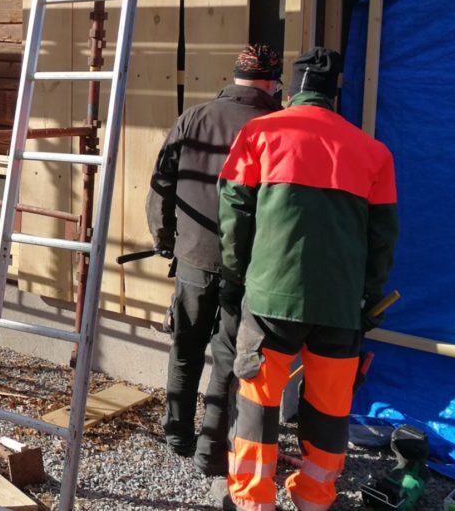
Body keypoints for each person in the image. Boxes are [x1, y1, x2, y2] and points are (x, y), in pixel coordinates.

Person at [218, 47, 399, 511]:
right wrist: (369, 298)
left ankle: (255, 501)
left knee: (258, 402)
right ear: (334, 93)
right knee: (330, 407)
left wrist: (236, 278)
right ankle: (314, 499)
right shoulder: (374, 152)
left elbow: (234, 213)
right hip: (340, 305)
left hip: (270, 298)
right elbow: (383, 238)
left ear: (292, 90)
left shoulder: (259, 134)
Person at [147, 43, 283, 477]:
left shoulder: (194, 118)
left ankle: (177, 434)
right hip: (247, 267)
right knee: (227, 357)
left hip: (192, 256)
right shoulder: (277, 127)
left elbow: (161, 184)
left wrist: (165, 238)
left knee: (185, 347)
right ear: (272, 83)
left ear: (234, 77)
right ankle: (210, 451)